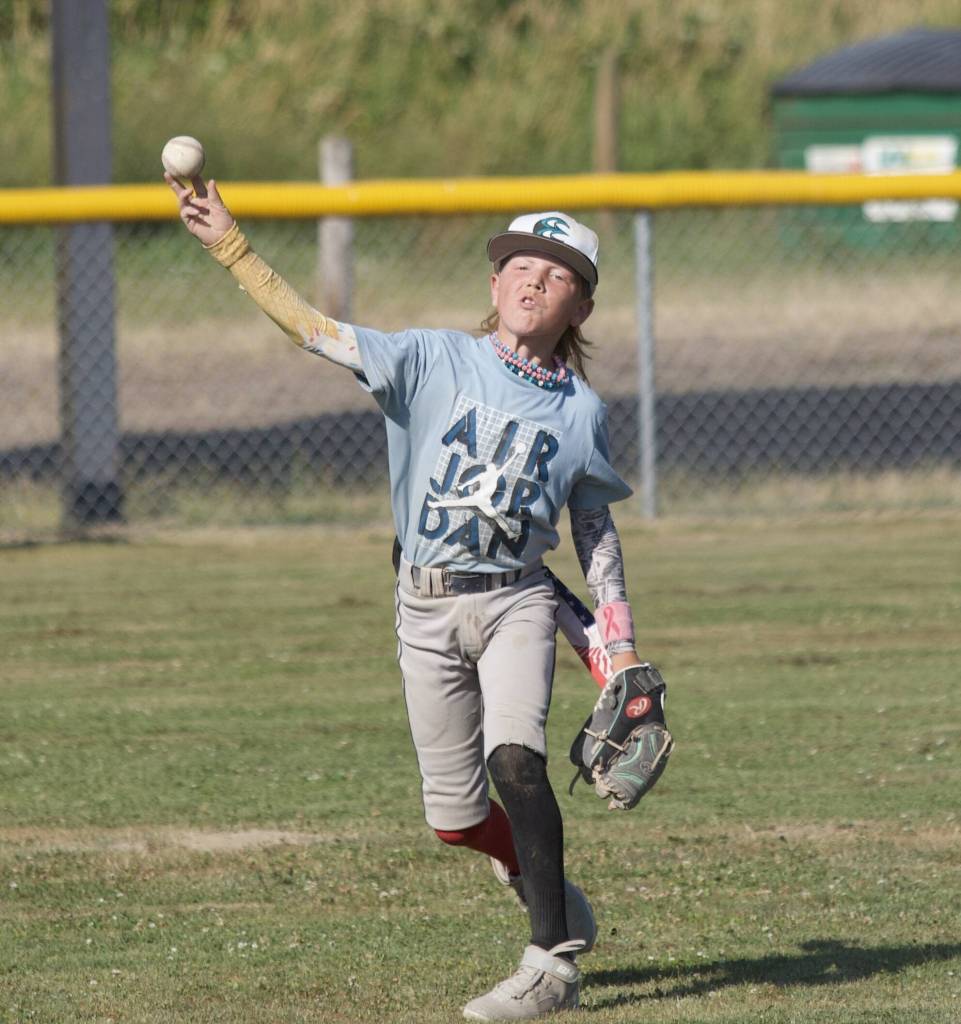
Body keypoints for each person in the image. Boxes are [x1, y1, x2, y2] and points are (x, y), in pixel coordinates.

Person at [167, 170, 649, 1021]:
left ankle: (551, 964)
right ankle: (551, 894)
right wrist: (231, 249)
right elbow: (314, 332)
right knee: (458, 820)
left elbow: (593, 536)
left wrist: (619, 651)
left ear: (580, 308)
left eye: (559, 273)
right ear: (493, 284)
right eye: (520, 265)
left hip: (516, 603)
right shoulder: (431, 358)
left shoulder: (580, 412)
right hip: (423, 606)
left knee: (516, 760)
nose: (535, 279)